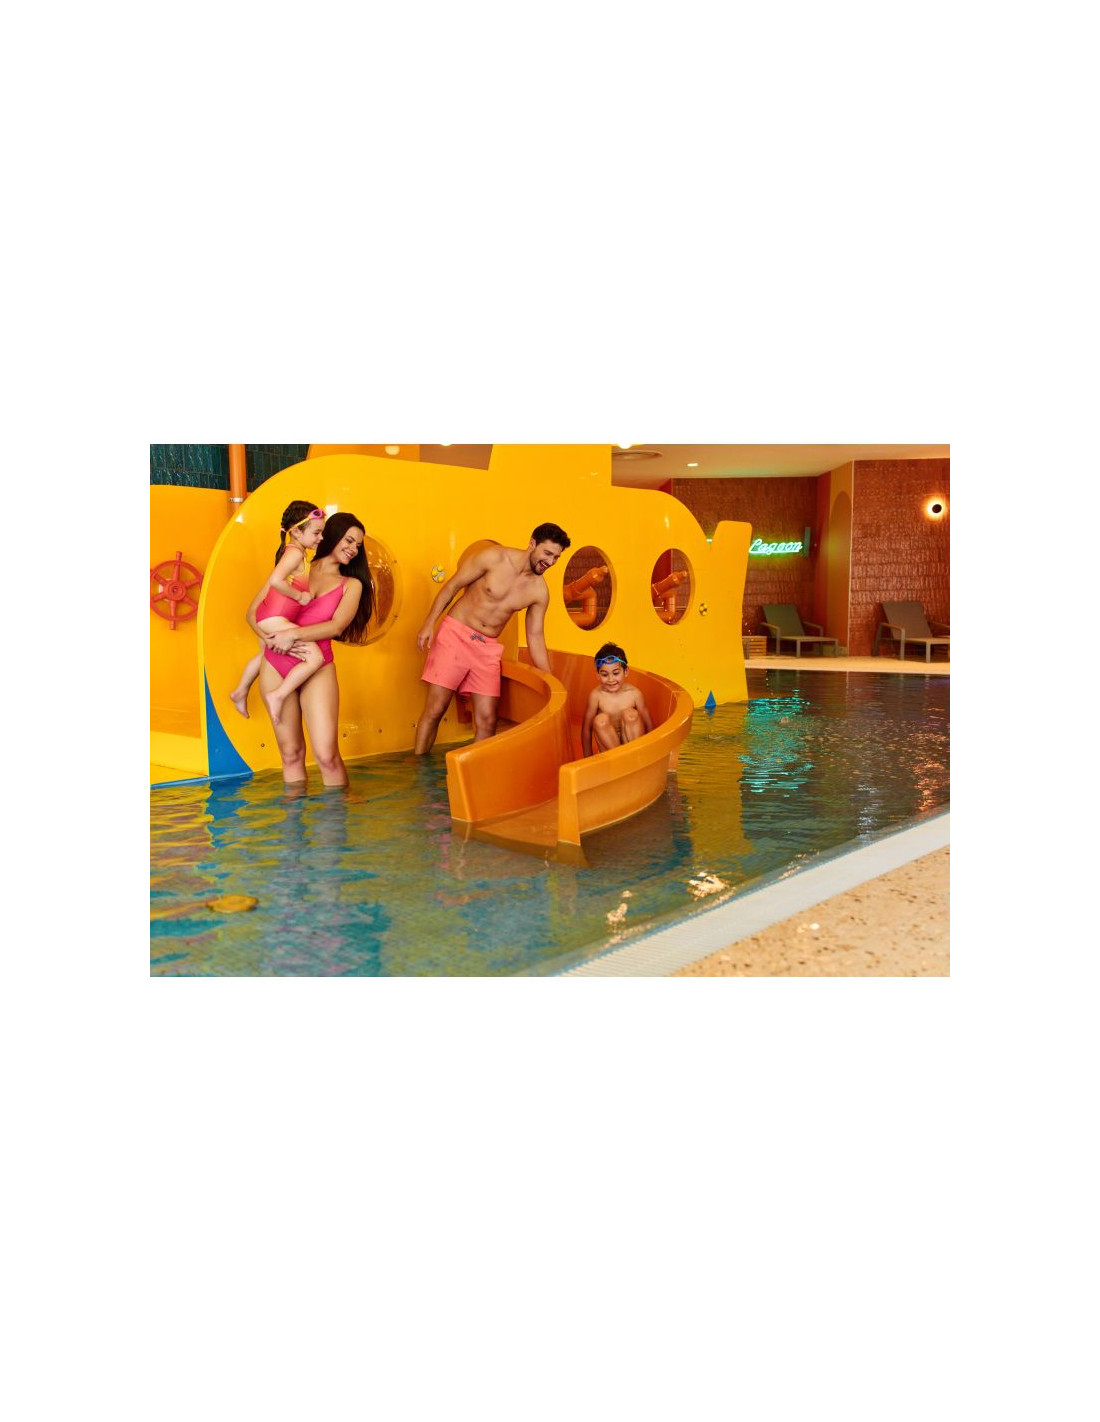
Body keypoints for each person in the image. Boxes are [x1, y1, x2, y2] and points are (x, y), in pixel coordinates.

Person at [414, 522, 571, 754]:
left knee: (488, 720)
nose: (550, 561)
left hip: (487, 648)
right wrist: (429, 623)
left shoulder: (539, 591)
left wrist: (551, 681)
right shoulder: (493, 558)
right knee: (436, 709)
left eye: (556, 557)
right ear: (532, 543)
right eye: (547, 553)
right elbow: (453, 586)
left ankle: (475, 775)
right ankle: (420, 768)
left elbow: (535, 636)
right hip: (456, 634)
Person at [250, 511, 374, 788]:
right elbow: (253, 613)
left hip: (318, 666)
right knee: (290, 754)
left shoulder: (351, 585)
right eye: (349, 541)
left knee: (327, 756)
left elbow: (336, 627)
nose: (354, 549)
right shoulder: (296, 566)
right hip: (276, 664)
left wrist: (292, 634)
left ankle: (336, 815)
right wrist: (271, 640)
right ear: (332, 535)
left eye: (358, 546)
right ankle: (295, 816)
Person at [229, 502, 326, 721]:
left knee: (265, 654)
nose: (320, 538)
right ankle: (278, 695)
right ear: (297, 532)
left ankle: (240, 691)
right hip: (274, 618)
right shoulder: (294, 554)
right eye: (316, 533)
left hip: (268, 617)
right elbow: (275, 580)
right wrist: (299, 597)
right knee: (315, 658)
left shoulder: (294, 552)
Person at [581, 642, 653, 756]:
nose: (611, 679)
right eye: (605, 675)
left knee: (630, 715)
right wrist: (587, 758)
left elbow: (649, 725)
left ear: (626, 671)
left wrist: (650, 753)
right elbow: (586, 729)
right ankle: (619, 759)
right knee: (600, 720)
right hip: (609, 750)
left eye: (615, 673)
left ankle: (636, 757)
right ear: (598, 675)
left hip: (633, 745)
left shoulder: (634, 694)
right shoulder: (596, 696)